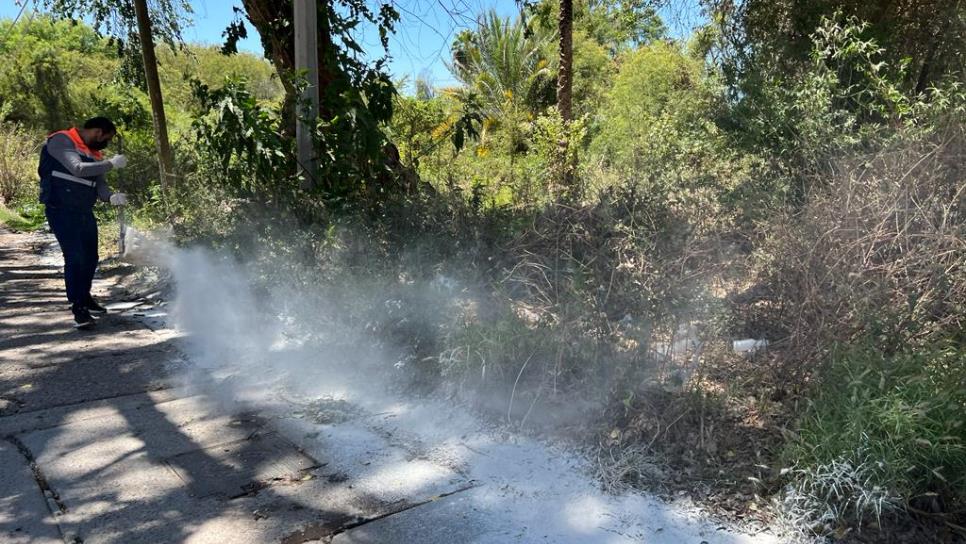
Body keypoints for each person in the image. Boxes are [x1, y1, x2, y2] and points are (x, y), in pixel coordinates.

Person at [38, 116, 128, 329]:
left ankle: (85, 297)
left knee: (90, 256)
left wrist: (110, 197)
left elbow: (100, 184)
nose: (105, 143)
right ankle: (78, 308)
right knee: (75, 256)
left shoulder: (94, 153)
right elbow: (77, 168)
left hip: (83, 211)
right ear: (98, 132)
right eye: (106, 138)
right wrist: (111, 164)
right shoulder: (62, 141)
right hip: (61, 209)